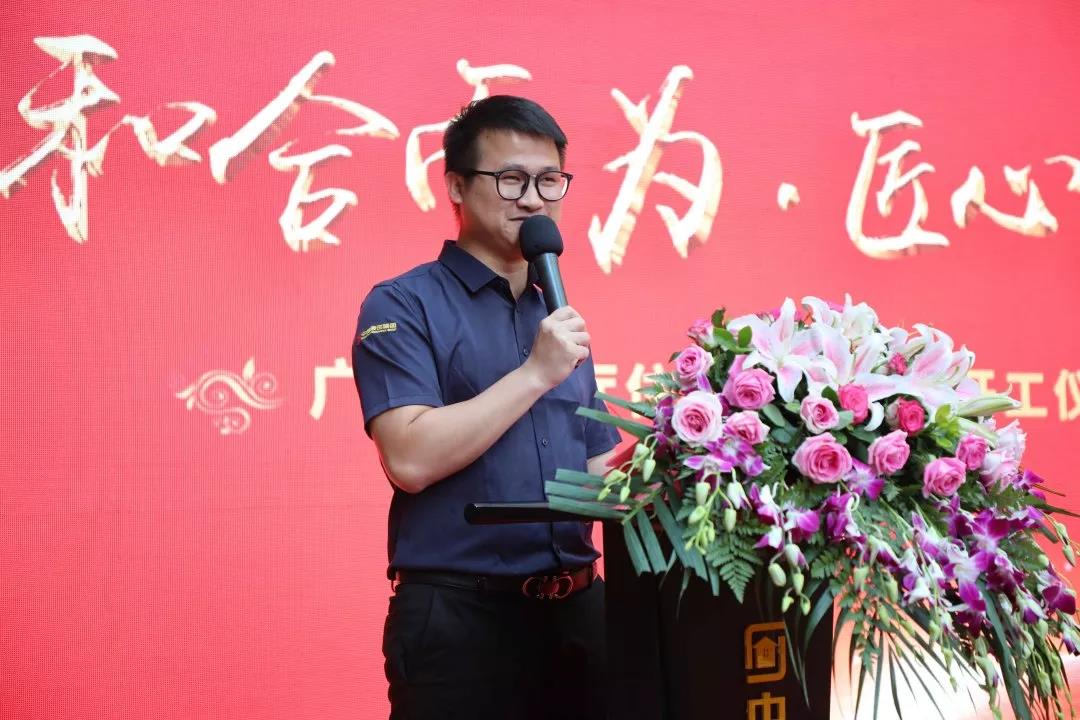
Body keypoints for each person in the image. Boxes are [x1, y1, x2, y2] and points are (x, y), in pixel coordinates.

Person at [351, 95, 621, 720]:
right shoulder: (402, 304)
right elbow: (409, 458)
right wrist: (534, 373)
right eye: (511, 179)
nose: (533, 199)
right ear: (456, 185)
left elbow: (596, 469)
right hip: (462, 622)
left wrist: (692, 457)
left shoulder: (556, 313)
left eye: (549, 181)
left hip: (582, 618)